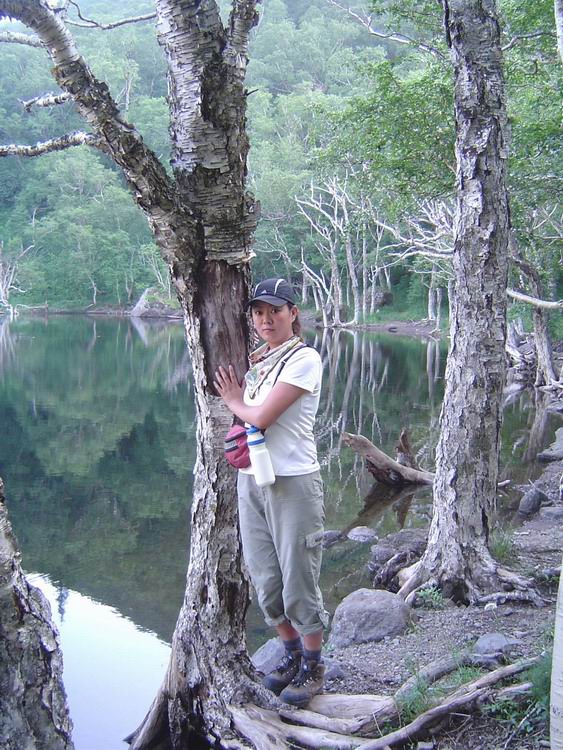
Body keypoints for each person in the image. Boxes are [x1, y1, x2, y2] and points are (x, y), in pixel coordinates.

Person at [214, 277, 328, 708]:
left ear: (292, 313)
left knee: (299, 575)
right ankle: (291, 655)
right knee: (264, 576)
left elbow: (260, 417)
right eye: (259, 312)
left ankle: (314, 667)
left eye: (275, 311)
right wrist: (241, 403)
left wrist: (233, 400)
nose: (266, 319)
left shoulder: (304, 359)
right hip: (252, 480)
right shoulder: (260, 361)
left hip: (294, 481)